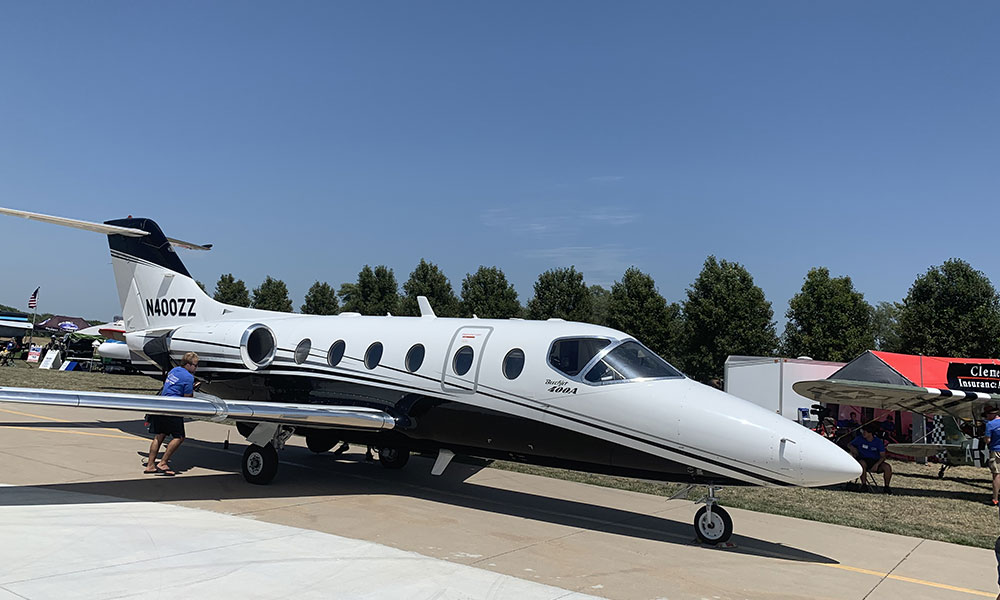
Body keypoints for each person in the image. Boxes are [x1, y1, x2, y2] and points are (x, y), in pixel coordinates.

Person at [143, 351, 198, 476]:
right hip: (173, 408)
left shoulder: (174, 371)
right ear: (188, 364)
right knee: (179, 437)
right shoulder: (189, 377)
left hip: (161, 405)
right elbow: (187, 397)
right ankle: (163, 462)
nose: (196, 368)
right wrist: (193, 389)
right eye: (195, 365)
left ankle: (150, 465)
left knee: (159, 436)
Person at [848, 423, 893, 494]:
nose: (863, 433)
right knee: (862, 464)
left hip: (875, 461)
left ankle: (886, 487)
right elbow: (849, 444)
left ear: (870, 433)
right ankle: (864, 485)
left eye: (865, 432)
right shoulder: (859, 439)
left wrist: (877, 464)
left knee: (887, 467)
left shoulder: (878, 442)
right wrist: (853, 448)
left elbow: (883, 456)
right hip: (863, 459)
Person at [982, 406, 1000, 506]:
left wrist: (985, 439)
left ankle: (995, 499)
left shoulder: (990, 424)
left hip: (996, 451)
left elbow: (988, 440)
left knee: (996, 475)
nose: (987, 417)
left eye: (987, 415)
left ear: (991, 414)